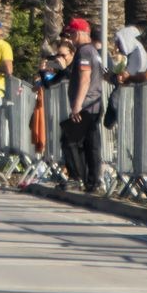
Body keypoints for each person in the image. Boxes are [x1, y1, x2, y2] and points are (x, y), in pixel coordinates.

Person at [60, 17, 104, 193]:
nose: (70, 38)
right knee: (89, 144)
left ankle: (77, 178)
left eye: (71, 33)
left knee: (69, 140)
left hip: (87, 105)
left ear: (79, 33)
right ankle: (92, 182)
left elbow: (85, 79)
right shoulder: (93, 51)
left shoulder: (85, 51)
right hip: (94, 104)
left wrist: (77, 106)